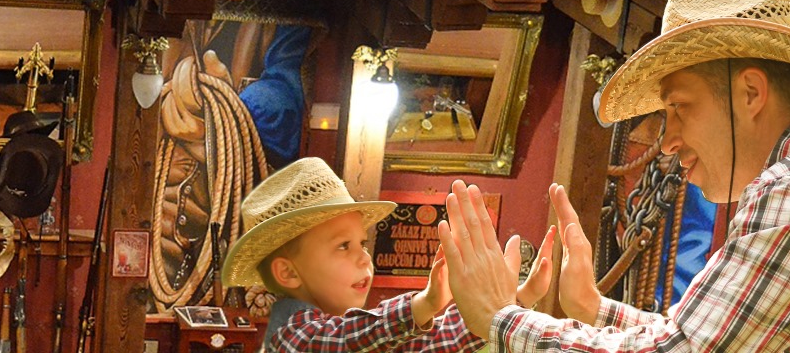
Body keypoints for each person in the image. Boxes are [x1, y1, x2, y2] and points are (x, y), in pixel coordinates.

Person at [437, 0, 790, 351]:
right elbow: (705, 335)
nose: (666, 142)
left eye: (679, 107)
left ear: (750, 94)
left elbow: (680, 350)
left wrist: (499, 319)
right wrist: (594, 308)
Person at [221, 158, 555, 352]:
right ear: (289, 273)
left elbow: (432, 342)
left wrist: (516, 301)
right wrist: (423, 303)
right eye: (343, 246)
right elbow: (340, 340)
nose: (363, 258)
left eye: (362, 244)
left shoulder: (347, 329)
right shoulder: (291, 336)